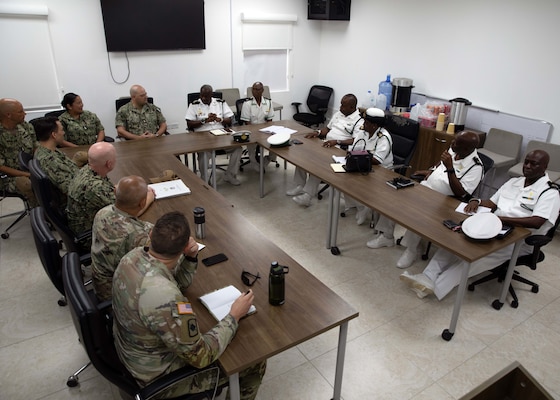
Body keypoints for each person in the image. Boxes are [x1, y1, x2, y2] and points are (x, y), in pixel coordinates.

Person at [112, 211, 266, 399]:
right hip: (156, 377)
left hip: (131, 352)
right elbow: (201, 356)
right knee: (253, 362)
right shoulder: (165, 298)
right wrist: (233, 317)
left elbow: (175, 283)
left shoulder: (132, 257)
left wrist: (191, 258)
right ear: (185, 245)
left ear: (151, 235)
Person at [401, 149, 560, 300]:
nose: (528, 166)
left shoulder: (549, 193)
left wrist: (502, 220)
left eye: (534, 164)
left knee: (473, 258)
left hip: (519, 240)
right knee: (457, 240)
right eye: (526, 162)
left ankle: (435, 288)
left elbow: (537, 222)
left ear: (545, 167)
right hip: (494, 226)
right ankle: (427, 276)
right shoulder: (514, 182)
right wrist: (476, 201)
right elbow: (491, 203)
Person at [367, 130, 484, 269]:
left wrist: (450, 168)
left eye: (456, 142)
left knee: (419, 214)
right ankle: (387, 237)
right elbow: (438, 167)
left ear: (466, 148)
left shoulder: (476, 166)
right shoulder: (454, 150)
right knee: (393, 198)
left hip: (444, 201)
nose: (452, 143)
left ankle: (411, 250)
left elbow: (462, 193)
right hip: (425, 188)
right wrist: (429, 172)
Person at [290, 94, 363, 207]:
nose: (340, 108)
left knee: (319, 165)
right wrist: (317, 133)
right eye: (341, 104)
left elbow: (355, 141)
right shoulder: (339, 114)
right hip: (326, 144)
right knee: (303, 156)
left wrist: (337, 141)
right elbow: (328, 128)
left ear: (352, 107)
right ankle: (299, 185)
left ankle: (307, 196)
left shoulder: (359, 121)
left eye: (343, 106)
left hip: (340, 149)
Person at [91, 175, 155, 302]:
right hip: (114, 293)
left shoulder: (103, 212)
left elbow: (133, 222)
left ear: (115, 192)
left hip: (100, 278)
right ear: (142, 203)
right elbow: (158, 265)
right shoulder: (136, 236)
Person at [344, 107, 394, 225]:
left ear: (374, 125)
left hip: (382, 171)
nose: (363, 124)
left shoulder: (384, 137)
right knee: (343, 181)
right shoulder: (363, 131)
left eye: (366, 122)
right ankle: (360, 207)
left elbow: (377, 160)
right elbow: (356, 146)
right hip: (364, 165)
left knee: (359, 183)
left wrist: (357, 156)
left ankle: (363, 207)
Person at [186, 84, 243, 185]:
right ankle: (205, 180)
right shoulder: (194, 105)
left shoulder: (220, 103)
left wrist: (219, 119)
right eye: (202, 96)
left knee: (237, 149)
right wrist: (204, 120)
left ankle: (230, 175)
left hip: (220, 135)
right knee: (203, 153)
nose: (204, 98)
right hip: (203, 136)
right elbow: (189, 123)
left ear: (211, 95)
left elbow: (230, 120)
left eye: (206, 96)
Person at [66, 141, 117, 236]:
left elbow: (110, 189)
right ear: (109, 164)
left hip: (84, 222)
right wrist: (149, 196)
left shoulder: (87, 169)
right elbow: (125, 210)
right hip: (89, 235)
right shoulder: (95, 187)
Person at [31, 116, 79, 208]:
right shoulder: (50, 160)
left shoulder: (47, 150)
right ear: (54, 135)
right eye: (61, 130)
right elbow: (72, 190)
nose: (64, 133)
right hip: (74, 206)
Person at [0, 98, 37, 207]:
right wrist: (28, 174)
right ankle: (40, 213)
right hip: (7, 177)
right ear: (8, 115)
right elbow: (1, 167)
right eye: (20, 112)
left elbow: (35, 146)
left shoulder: (25, 126)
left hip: (30, 168)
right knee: (28, 184)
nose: (24, 113)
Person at [240, 81, 275, 172]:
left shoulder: (268, 102)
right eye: (254, 89)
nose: (255, 91)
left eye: (258, 89)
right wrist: (256, 133)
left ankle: (267, 159)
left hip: (265, 130)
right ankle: (253, 162)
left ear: (262, 90)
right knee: (251, 145)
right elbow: (247, 122)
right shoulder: (247, 104)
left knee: (276, 142)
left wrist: (267, 131)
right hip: (251, 130)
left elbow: (270, 120)